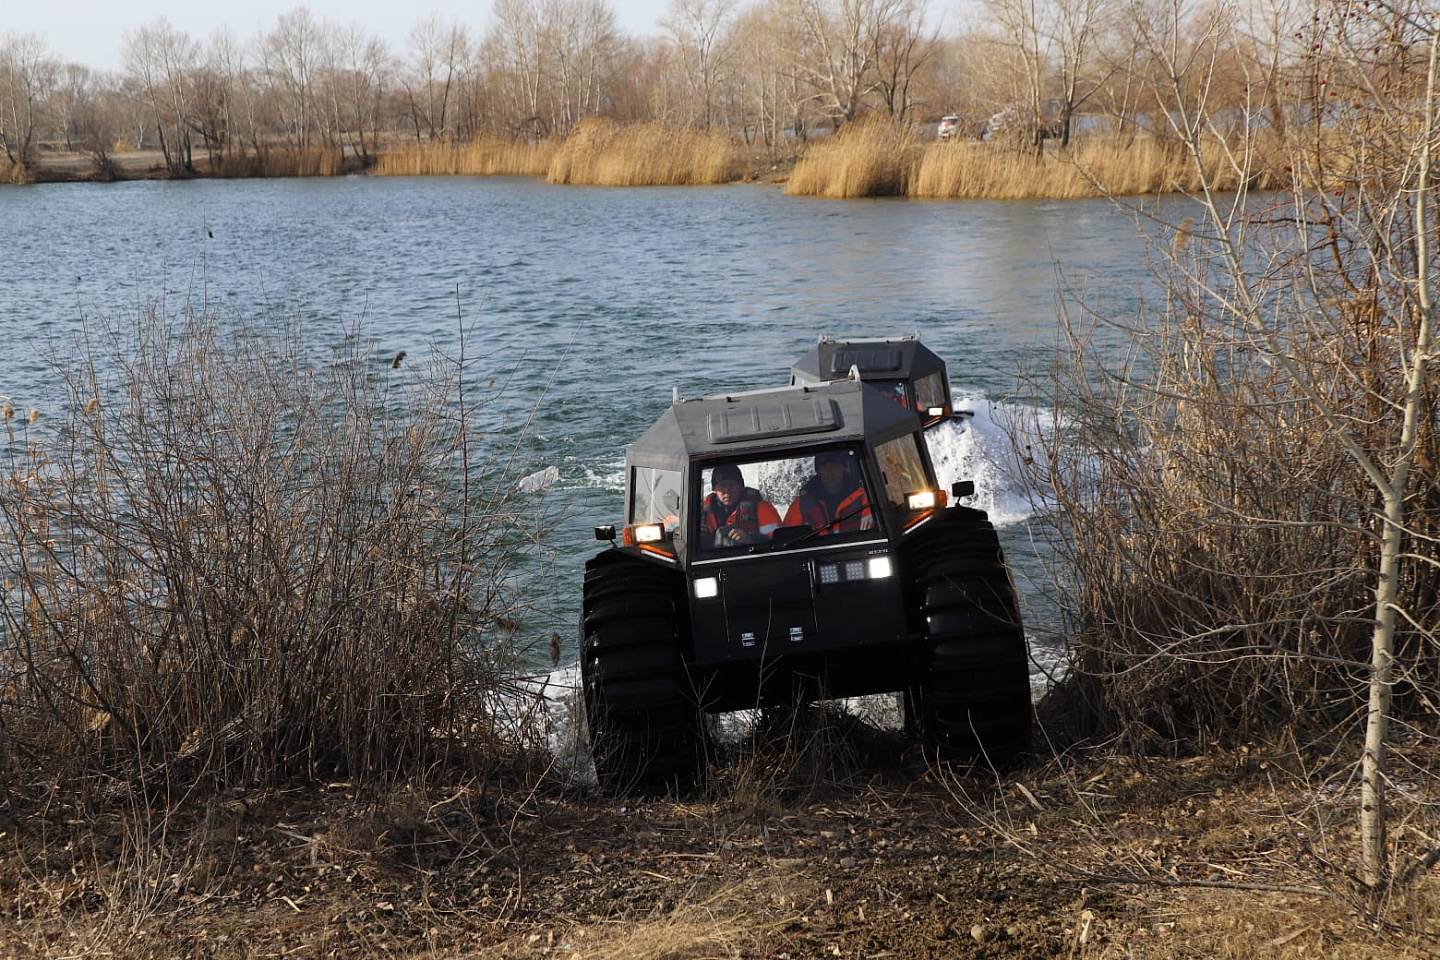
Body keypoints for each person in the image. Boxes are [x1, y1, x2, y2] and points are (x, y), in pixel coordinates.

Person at [783, 450, 872, 535]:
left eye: (834, 467)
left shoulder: (865, 498)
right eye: (825, 468)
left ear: (843, 468)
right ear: (818, 471)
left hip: (855, 548)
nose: (830, 473)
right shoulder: (801, 505)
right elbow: (789, 540)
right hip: (818, 550)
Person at [701, 463, 781, 546]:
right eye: (722, 485)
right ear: (714, 490)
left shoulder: (763, 508)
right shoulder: (699, 514)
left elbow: (778, 544)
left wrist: (751, 539)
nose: (727, 490)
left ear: (741, 487)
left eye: (731, 484)